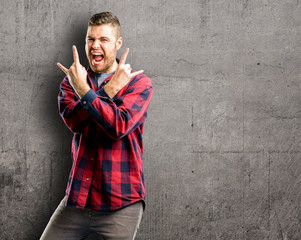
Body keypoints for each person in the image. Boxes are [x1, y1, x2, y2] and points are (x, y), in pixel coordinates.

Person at [40, 12, 153, 240]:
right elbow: (75, 123)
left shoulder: (139, 83)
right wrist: (108, 90)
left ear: (118, 44)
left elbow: (118, 126)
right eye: (90, 39)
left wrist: (86, 93)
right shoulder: (73, 82)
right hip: (78, 198)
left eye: (104, 40)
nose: (95, 46)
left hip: (121, 203)